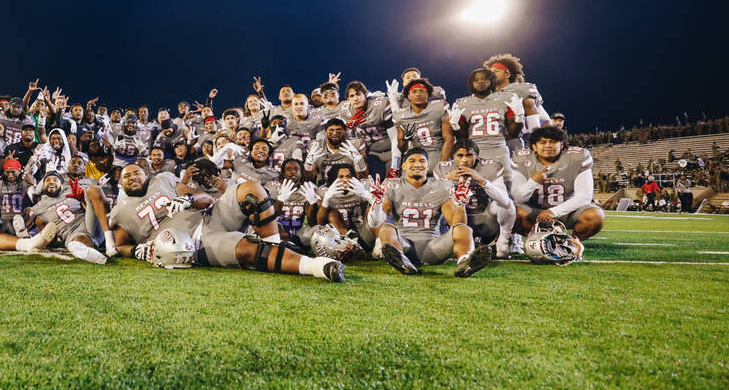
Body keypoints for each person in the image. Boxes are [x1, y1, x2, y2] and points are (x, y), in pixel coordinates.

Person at [108, 161, 345, 281]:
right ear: (121, 183)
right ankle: (315, 267)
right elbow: (121, 245)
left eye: (136, 172)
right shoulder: (120, 211)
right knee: (248, 250)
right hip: (194, 242)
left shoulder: (164, 180)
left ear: (145, 174)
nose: (132, 177)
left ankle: (276, 246)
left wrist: (186, 200)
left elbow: (204, 199)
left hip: (211, 215)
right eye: (127, 175)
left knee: (251, 190)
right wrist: (137, 251)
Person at [367, 148, 494, 277]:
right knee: (386, 228)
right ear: (404, 165)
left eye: (422, 161)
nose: (417, 164)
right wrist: (376, 203)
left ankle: (465, 262)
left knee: (464, 229)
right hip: (403, 245)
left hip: (433, 248)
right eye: (412, 161)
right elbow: (376, 222)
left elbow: (457, 225)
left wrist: (460, 205)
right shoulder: (391, 185)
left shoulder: (441, 186)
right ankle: (401, 260)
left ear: (428, 165)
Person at [510, 126, 604, 241]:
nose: (548, 145)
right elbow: (516, 199)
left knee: (596, 216)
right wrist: (532, 182)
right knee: (511, 212)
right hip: (534, 211)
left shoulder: (577, 158)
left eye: (553, 142)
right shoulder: (521, 159)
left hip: (568, 212)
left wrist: (553, 212)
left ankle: (570, 242)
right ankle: (535, 240)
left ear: (562, 144)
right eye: (542, 142)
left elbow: (584, 197)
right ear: (534, 146)